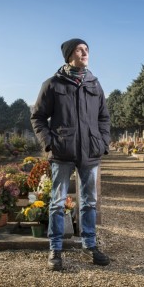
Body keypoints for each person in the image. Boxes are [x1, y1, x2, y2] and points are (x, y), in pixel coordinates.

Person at [31, 38, 111, 271]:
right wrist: (49, 143)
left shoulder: (94, 84)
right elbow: (37, 117)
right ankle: (55, 249)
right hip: (62, 153)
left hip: (90, 153)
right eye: (80, 49)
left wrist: (102, 142)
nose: (85, 52)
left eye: (87, 49)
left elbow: (103, 118)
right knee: (57, 203)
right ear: (69, 55)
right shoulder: (53, 84)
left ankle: (89, 245)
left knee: (89, 202)